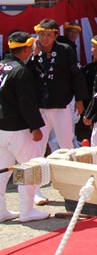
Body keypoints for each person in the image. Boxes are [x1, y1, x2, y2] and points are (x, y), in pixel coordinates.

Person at [29, 19, 88, 204]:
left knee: (66, 144)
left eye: (48, 35)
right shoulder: (33, 51)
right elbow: (25, 74)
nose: (44, 38)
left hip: (61, 105)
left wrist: (80, 99)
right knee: (37, 147)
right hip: (40, 106)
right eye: (41, 34)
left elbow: (76, 74)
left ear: (55, 35)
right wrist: (33, 55)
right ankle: (35, 190)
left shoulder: (65, 50)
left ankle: (73, 186)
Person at [0, 32, 50, 223]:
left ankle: (0, 210)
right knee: (30, 168)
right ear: (25, 49)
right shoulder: (20, 71)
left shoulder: (2, 66)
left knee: (2, 171)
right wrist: (35, 127)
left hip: (2, 127)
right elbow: (26, 103)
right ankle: (26, 210)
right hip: (17, 129)